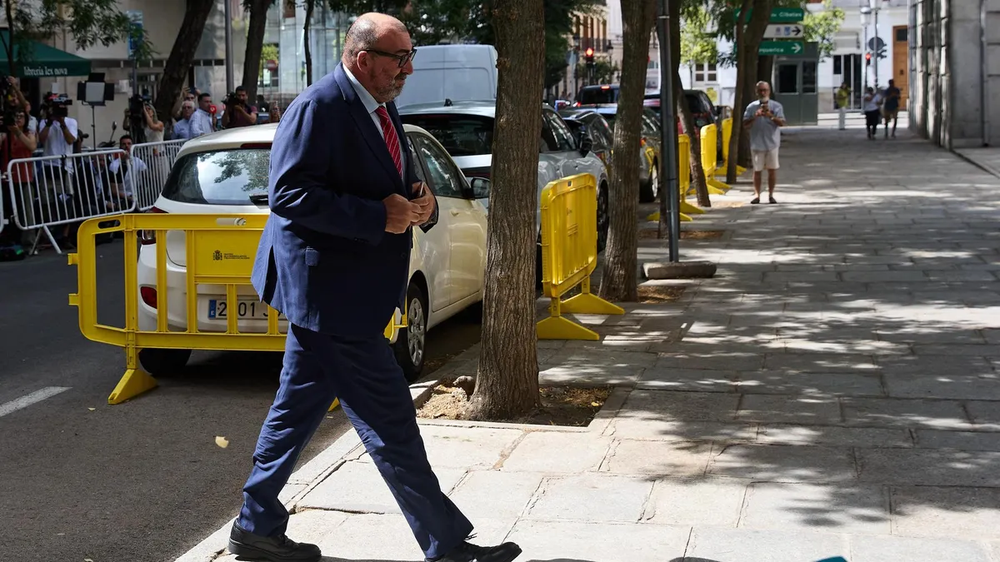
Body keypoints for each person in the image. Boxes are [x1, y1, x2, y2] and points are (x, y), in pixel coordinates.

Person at [230, 12, 521, 562]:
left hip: (343, 293)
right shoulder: (318, 108)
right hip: (332, 295)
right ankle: (448, 546)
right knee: (391, 422)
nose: (408, 69)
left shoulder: (381, 104)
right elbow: (288, 196)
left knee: (294, 415)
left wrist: (422, 201)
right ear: (364, 60)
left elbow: (394, 178)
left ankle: (255, 526)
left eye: (410, 56)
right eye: (399, 58)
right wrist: (374, 215)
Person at [742, 80, 785, 205]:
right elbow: (745, 125)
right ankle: (757, 195)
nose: (763, 92)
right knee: (757, 170)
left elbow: (782, 123)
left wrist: (770, 115)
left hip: (772, 143)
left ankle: (771, 195)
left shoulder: (776, 106)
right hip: (756, 143)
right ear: (756, 92)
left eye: (765, 90)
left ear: (769, 91)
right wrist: (755, 116)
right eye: (760, 90)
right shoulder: (751, 107)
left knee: (772, 170)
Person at [0, 108, 37, 252]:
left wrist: (17, 132)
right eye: (15, 116)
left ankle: (29, 243)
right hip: (7, 179)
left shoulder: (29, 133)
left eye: (21, 116)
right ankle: (10, 239)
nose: (18, 119)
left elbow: (32, 146)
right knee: (8, 211)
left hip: (24, 178)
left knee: (27, 212)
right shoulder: (5, 135)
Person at [107, 135, 147, 210]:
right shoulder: (114, 165)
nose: (127, 146)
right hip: (121, 197)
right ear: (120, 147)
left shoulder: (138, 161)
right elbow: (114, 191)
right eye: (124, 144)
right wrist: (130, 198)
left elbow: (147, 177)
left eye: (129, 144)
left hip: (135, 195)